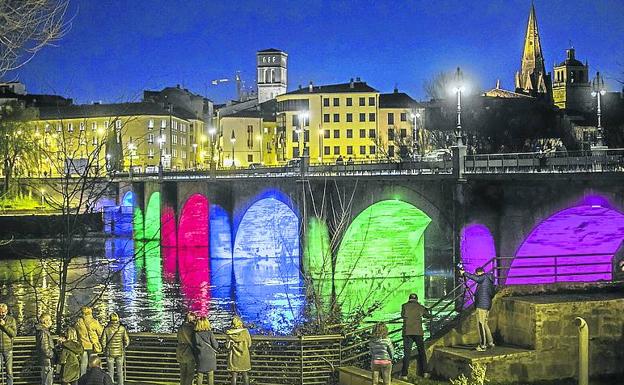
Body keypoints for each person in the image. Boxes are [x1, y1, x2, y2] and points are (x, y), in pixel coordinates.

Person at [460, 266, 496, 351]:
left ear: (478, 273)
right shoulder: (490, 281)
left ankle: (483, 345)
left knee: (480, 324)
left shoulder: (483, 277)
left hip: (481, 306)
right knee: (485, 324)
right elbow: (490, 294)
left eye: (476, 274)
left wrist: (464, 273)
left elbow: (475, 278)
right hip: (487, 305)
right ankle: (490, 342)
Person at [400, 293, 431, 379]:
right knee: (422, 352)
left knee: (407, 353)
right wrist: (426, 310)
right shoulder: (420, 307)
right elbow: (427, 316)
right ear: (416, 299)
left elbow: (402, 315)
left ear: (409, 299)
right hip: (418, 332)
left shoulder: (404, 306)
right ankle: (425, 372)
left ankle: (404, 374)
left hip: (407, 332)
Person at [101, 313, 130, 385]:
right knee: (120, 371)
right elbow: (127, 341)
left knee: (110, 372)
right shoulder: (122, 329)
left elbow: (103, 342)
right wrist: (123, 347)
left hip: (110, 352)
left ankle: (111, 383)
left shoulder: (107, 329)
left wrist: (105, 348)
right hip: (119, 352)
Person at [75, 307, 104, 376]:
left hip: (83, 346)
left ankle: (82, 381)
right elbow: (101, 333)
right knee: (94, 364)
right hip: (93, 346)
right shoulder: (94, 322)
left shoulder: (78, 322)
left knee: (83, 365)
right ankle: (93, 379)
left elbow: (75, 333)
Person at [225, 316, 251, 385]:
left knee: (234, 375)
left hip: (233, 356)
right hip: (244, 356)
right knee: (245, 374)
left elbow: (227, 346)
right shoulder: (245, 332)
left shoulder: (229, 333)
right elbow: (249, 344)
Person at [193, 317, 219, 385]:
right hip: (210, 357)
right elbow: (215, 346)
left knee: (199, 376)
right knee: (210, 376)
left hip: (200, 357)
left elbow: (194, 347)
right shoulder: (210, 333)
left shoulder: (195, 334)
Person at [176, 313, 196, 385]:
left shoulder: (180, 328)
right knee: (190, 374)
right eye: (194, 317)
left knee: (183, 373)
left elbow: (178, 338)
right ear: (190, 319)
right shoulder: (192, 328)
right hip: (189, 352)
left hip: (180, 351)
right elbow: (195, 340)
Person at [35, 313, 54, 385]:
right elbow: (44, 347)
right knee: (48, 381)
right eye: (49, 320)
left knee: (45, 379)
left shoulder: (42, 330)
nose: (51, 322)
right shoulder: (43, 331)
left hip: (44, 359)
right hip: (47, 360)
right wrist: (51, 355)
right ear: (45, 321)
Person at [0, 303, 17, 385]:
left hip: (8, 349)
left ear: (6, 311)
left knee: (9, 372)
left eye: (3, 312)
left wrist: (4, 325)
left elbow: (14, 333)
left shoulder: (11, 320)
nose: (1, 314)